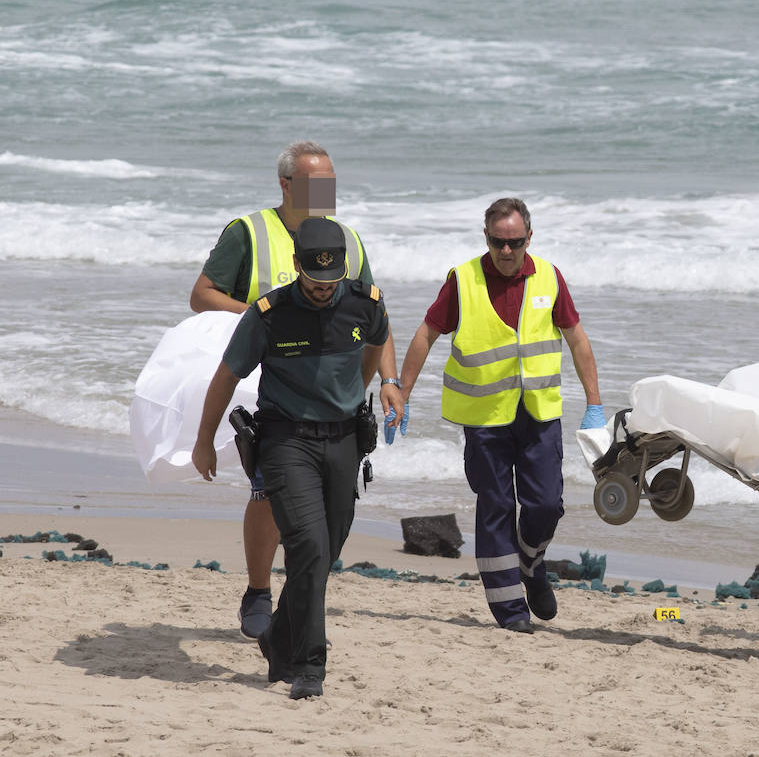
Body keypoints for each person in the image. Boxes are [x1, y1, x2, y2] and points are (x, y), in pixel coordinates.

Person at [192, 218, 401, 700]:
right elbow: (226, 376)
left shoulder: (363, 301)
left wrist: (385, 383)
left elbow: (378, 339)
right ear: (296, 267)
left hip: (345, 440)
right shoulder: (268, 315)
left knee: (325, 552)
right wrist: (204, 439)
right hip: (286, 440)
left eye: (331, 281)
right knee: (307, 546)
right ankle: (310, 665)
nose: (323, 290)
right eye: (313, 281)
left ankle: (277, 639)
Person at [189, 140, 386, 640]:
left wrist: (385, 381)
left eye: (331, 184)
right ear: (286, 185)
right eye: (316, 184)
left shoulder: (347, 240)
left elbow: (370, 319)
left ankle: (294, 599)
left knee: (322, 511)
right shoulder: (248, 232)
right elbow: (202, 295)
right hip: (264, 377)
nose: (327, 193)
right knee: (267, 494)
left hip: (329, 387)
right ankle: (258, 589)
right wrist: (265, 319)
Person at [397, 197, 603, 633]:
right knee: (496, 507)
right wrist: (403, 392)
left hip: (538, 415)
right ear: (486, 237)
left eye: (515, 242)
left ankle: (532, 564)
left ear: (530, 237)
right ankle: (511, 612)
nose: (506, 251)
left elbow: (578, 340)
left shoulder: (549, 276)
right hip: (485, 417)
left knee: (546, 505)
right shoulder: (463, 280)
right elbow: (426, 333)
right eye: (498, 242)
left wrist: (595, 404)